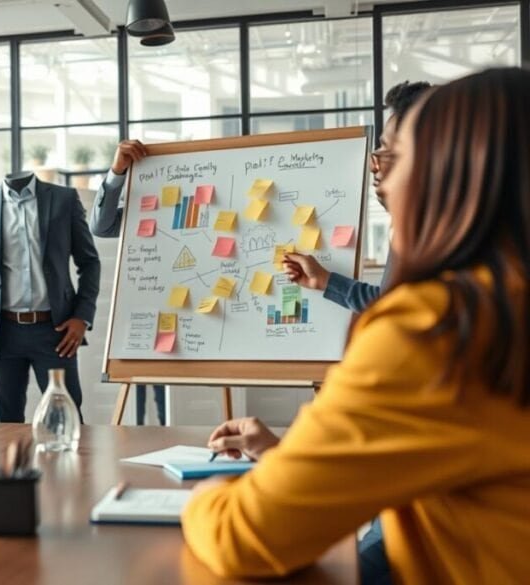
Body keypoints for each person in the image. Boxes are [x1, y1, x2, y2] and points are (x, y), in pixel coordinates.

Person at [182, 68, 530, 585]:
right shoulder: (504, 304)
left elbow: (246, 536)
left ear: (449, 175)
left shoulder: (437, 330)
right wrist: (291, 460)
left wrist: (204, 497)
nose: (380, 174)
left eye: (397, 156)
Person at [283, 81, 432, 313]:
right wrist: (324, 280)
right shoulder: (412, 227)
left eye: (386, 150)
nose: (374, 165)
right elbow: (389, 302)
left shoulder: (435, 236)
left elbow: (397, 311)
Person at [0, 171, 101, 423]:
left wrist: (82, 317)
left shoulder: (64, 199)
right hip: (0, 335)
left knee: (66, 420)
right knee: (5, 425)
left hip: (55, 332)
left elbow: (89, 262)